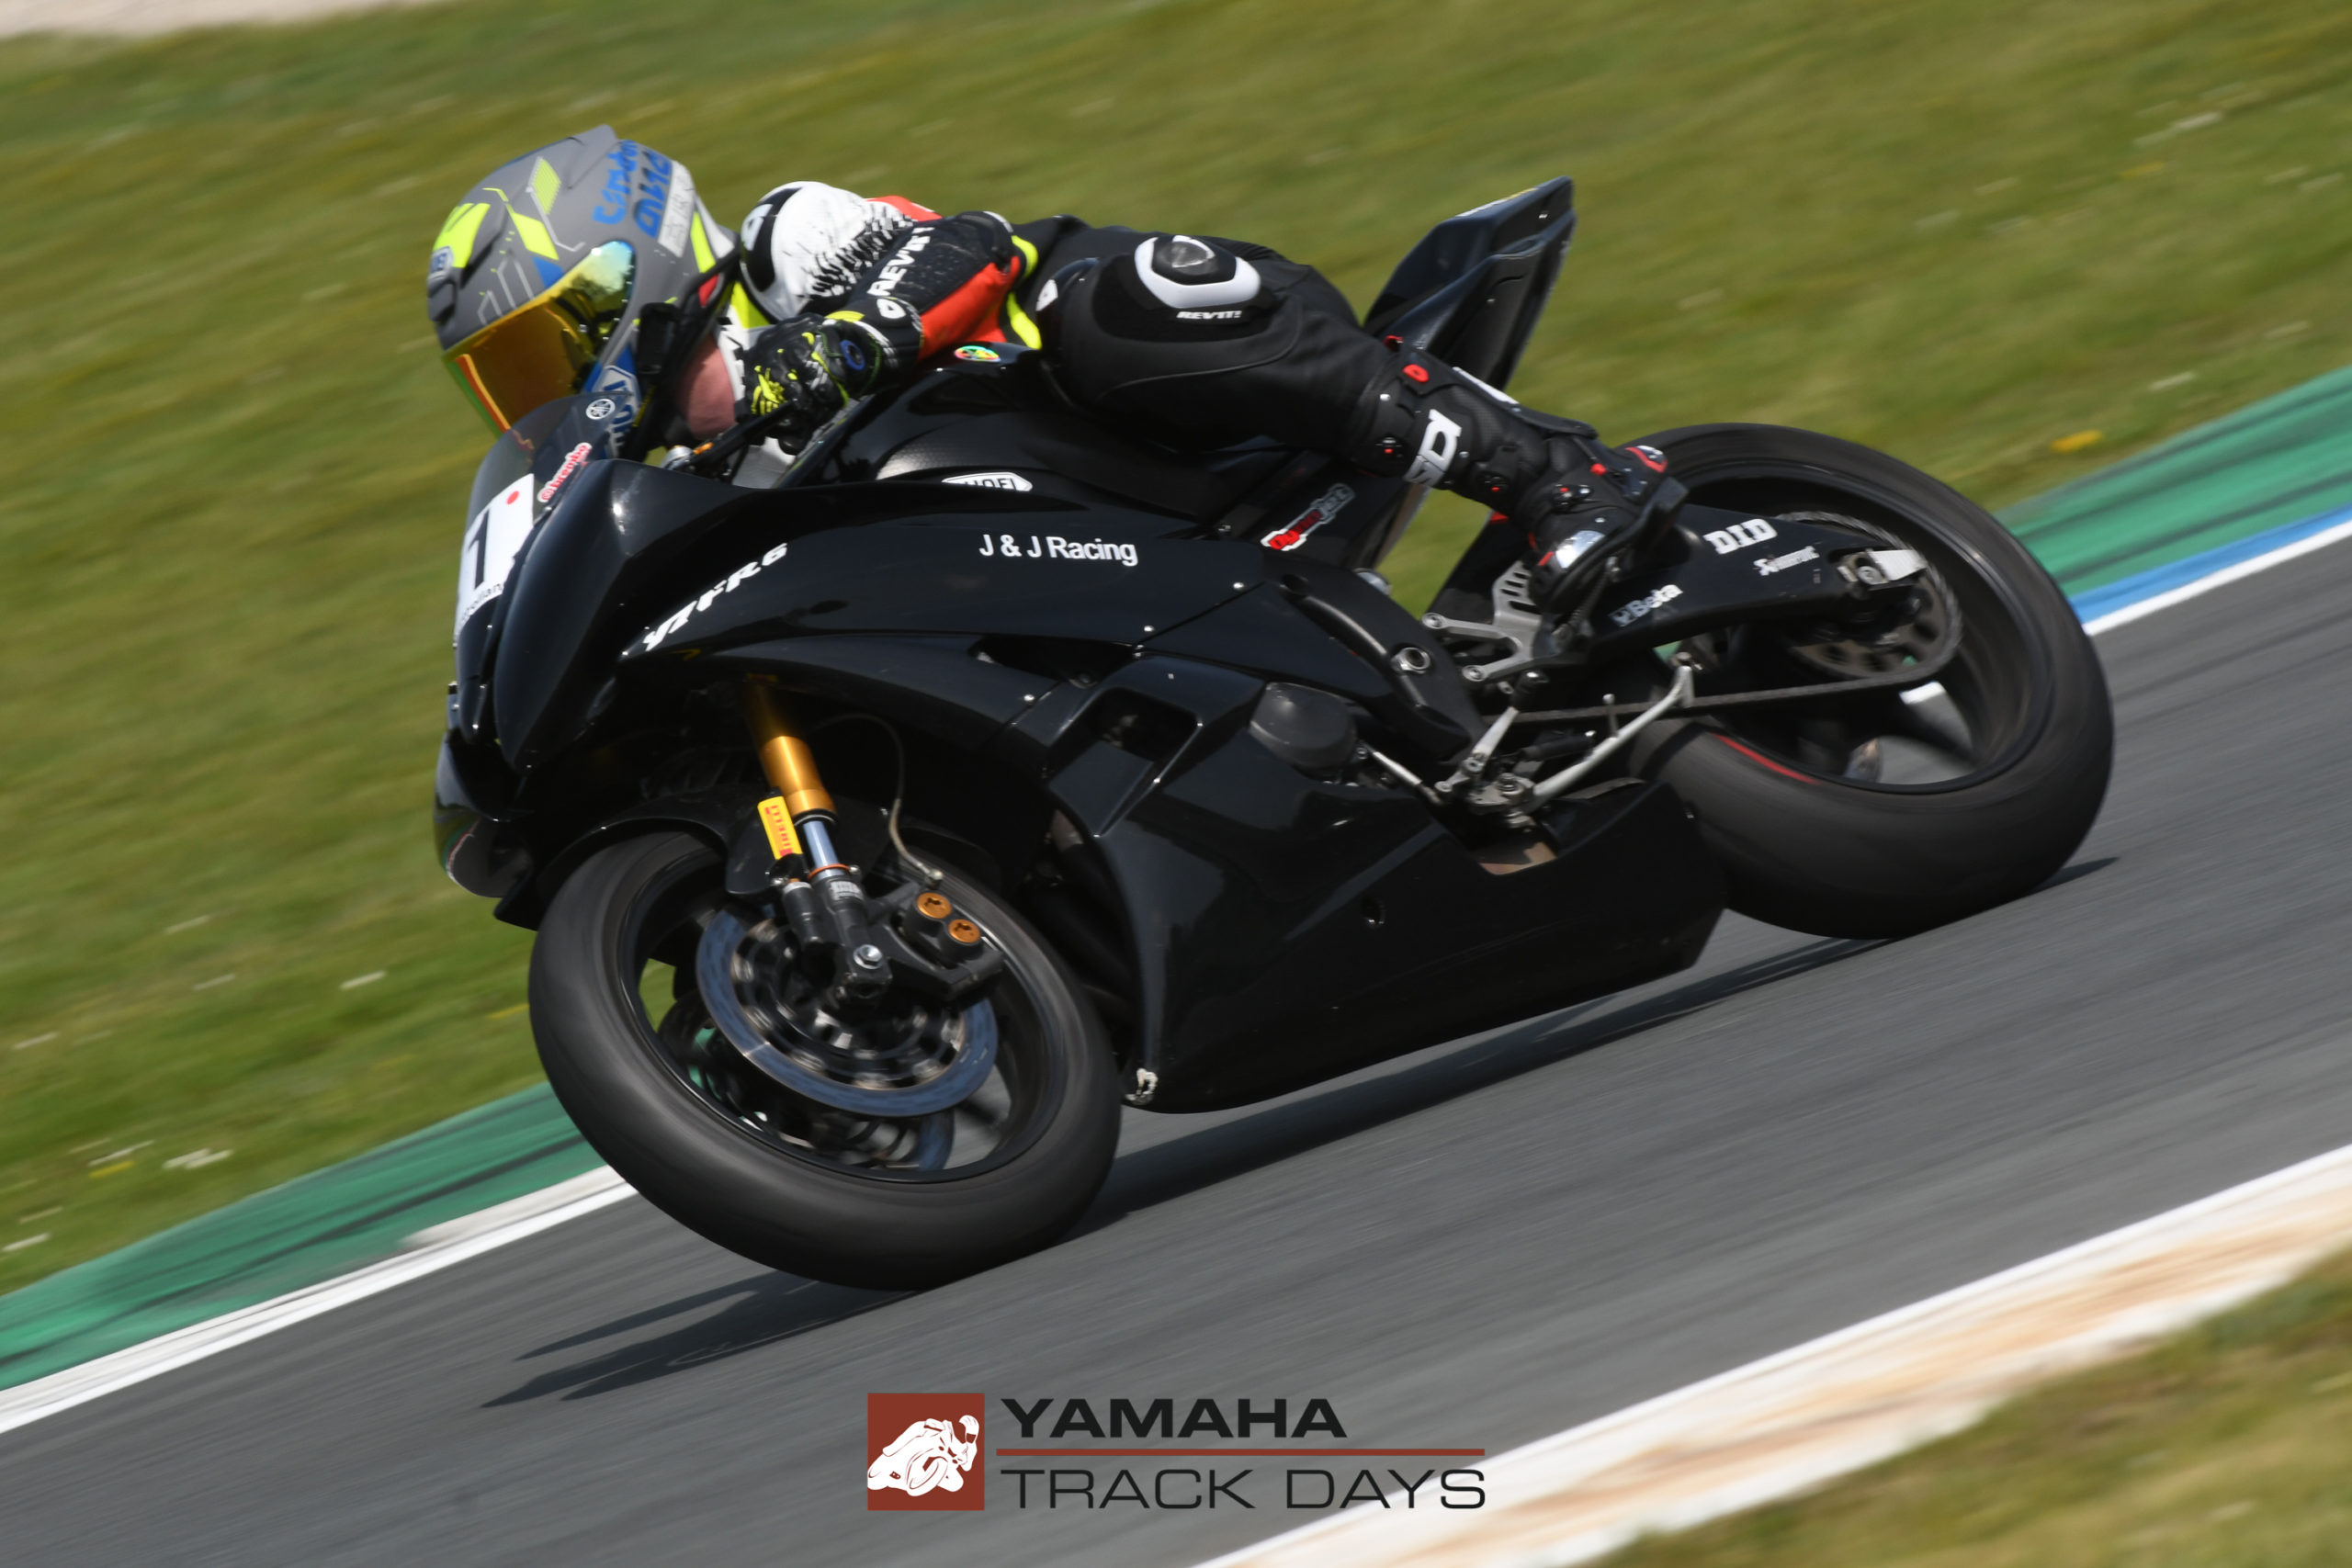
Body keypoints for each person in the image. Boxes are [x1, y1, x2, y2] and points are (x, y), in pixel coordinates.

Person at [425, 129, 1664, 615]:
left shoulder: (782, 247)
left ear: (626, 274)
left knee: (1114, 308)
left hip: (1158, 404)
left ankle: (1560, 477)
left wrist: (844, 342)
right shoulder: (683, 488)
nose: (542, 388)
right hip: (1084, 574)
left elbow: (972, 249)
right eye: (505, 373)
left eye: (545, 343)